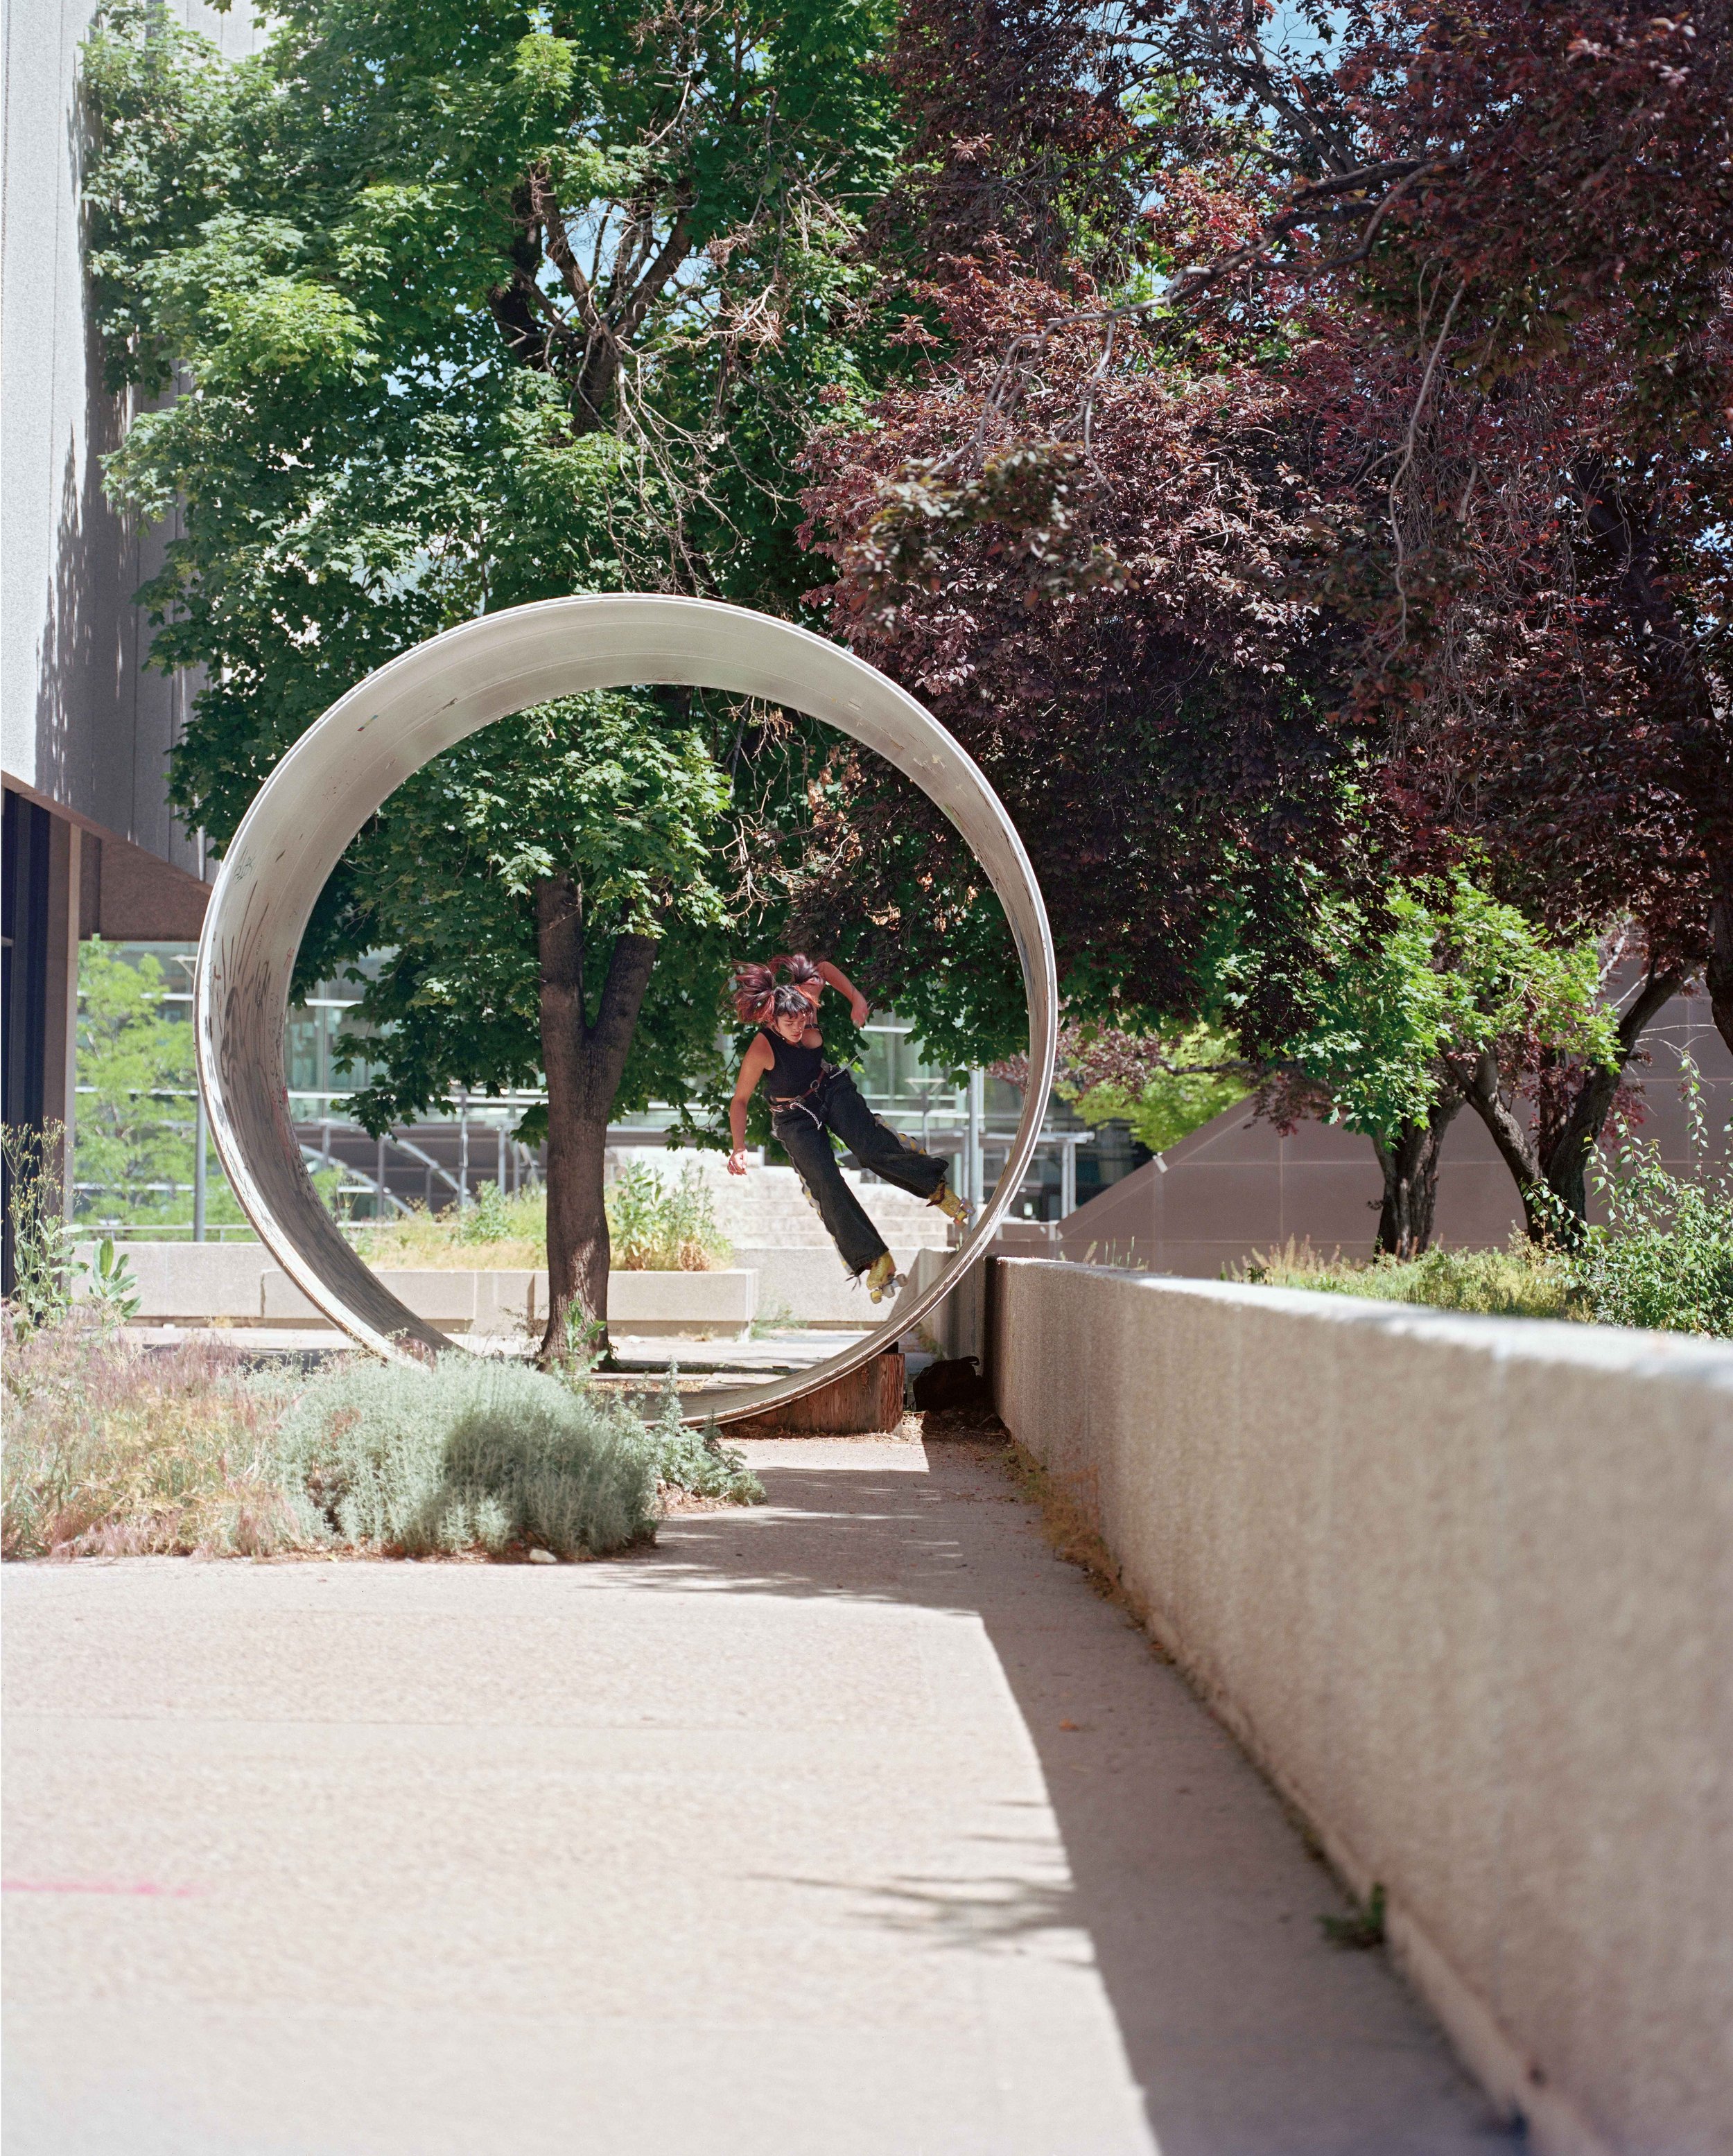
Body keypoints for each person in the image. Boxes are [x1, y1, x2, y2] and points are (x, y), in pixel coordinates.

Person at [727, 954, 970, 1303]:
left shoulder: (803, 997)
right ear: (772, 1019)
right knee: (826, 1183)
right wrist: (738, 1147)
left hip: (829, 1088)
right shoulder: (762, 1048)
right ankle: (874, 1259)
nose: (798, 1029)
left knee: (869, 1149)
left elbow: (822, 967)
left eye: (803, 1020)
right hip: (794, 1117)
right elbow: (740, 1101)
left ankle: (937, 1189)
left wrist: (856, 998)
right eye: (789, 1023)